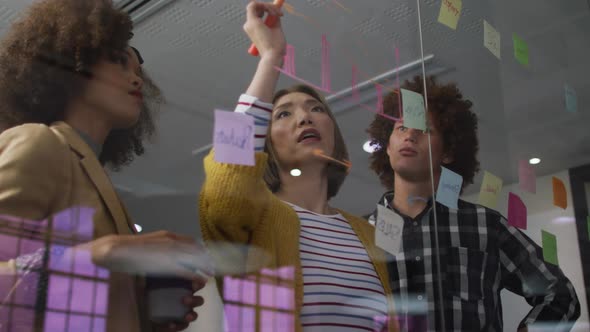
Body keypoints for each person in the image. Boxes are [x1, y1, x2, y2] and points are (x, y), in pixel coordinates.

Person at [0, 0, 208, 331]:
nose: (137, 80)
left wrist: (145, 311)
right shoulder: (40, 143)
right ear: (72, 63)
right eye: (118, 62)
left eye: (137, 70)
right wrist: (102, 254)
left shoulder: (96, 181)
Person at [199, 2, 397, 331]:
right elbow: (223, 185)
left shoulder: (368, 234)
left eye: (315, 108)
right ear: (265, 141)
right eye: (284, 113)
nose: (305, 116)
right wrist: (271, 59)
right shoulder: (255, 218)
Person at [366, 75, 580, 331]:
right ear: (387, 146)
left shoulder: (484, 225)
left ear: (448, 152)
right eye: (401, 127)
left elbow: (559, 294)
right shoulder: (362, 234)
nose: (410, 136)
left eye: (424, 129)